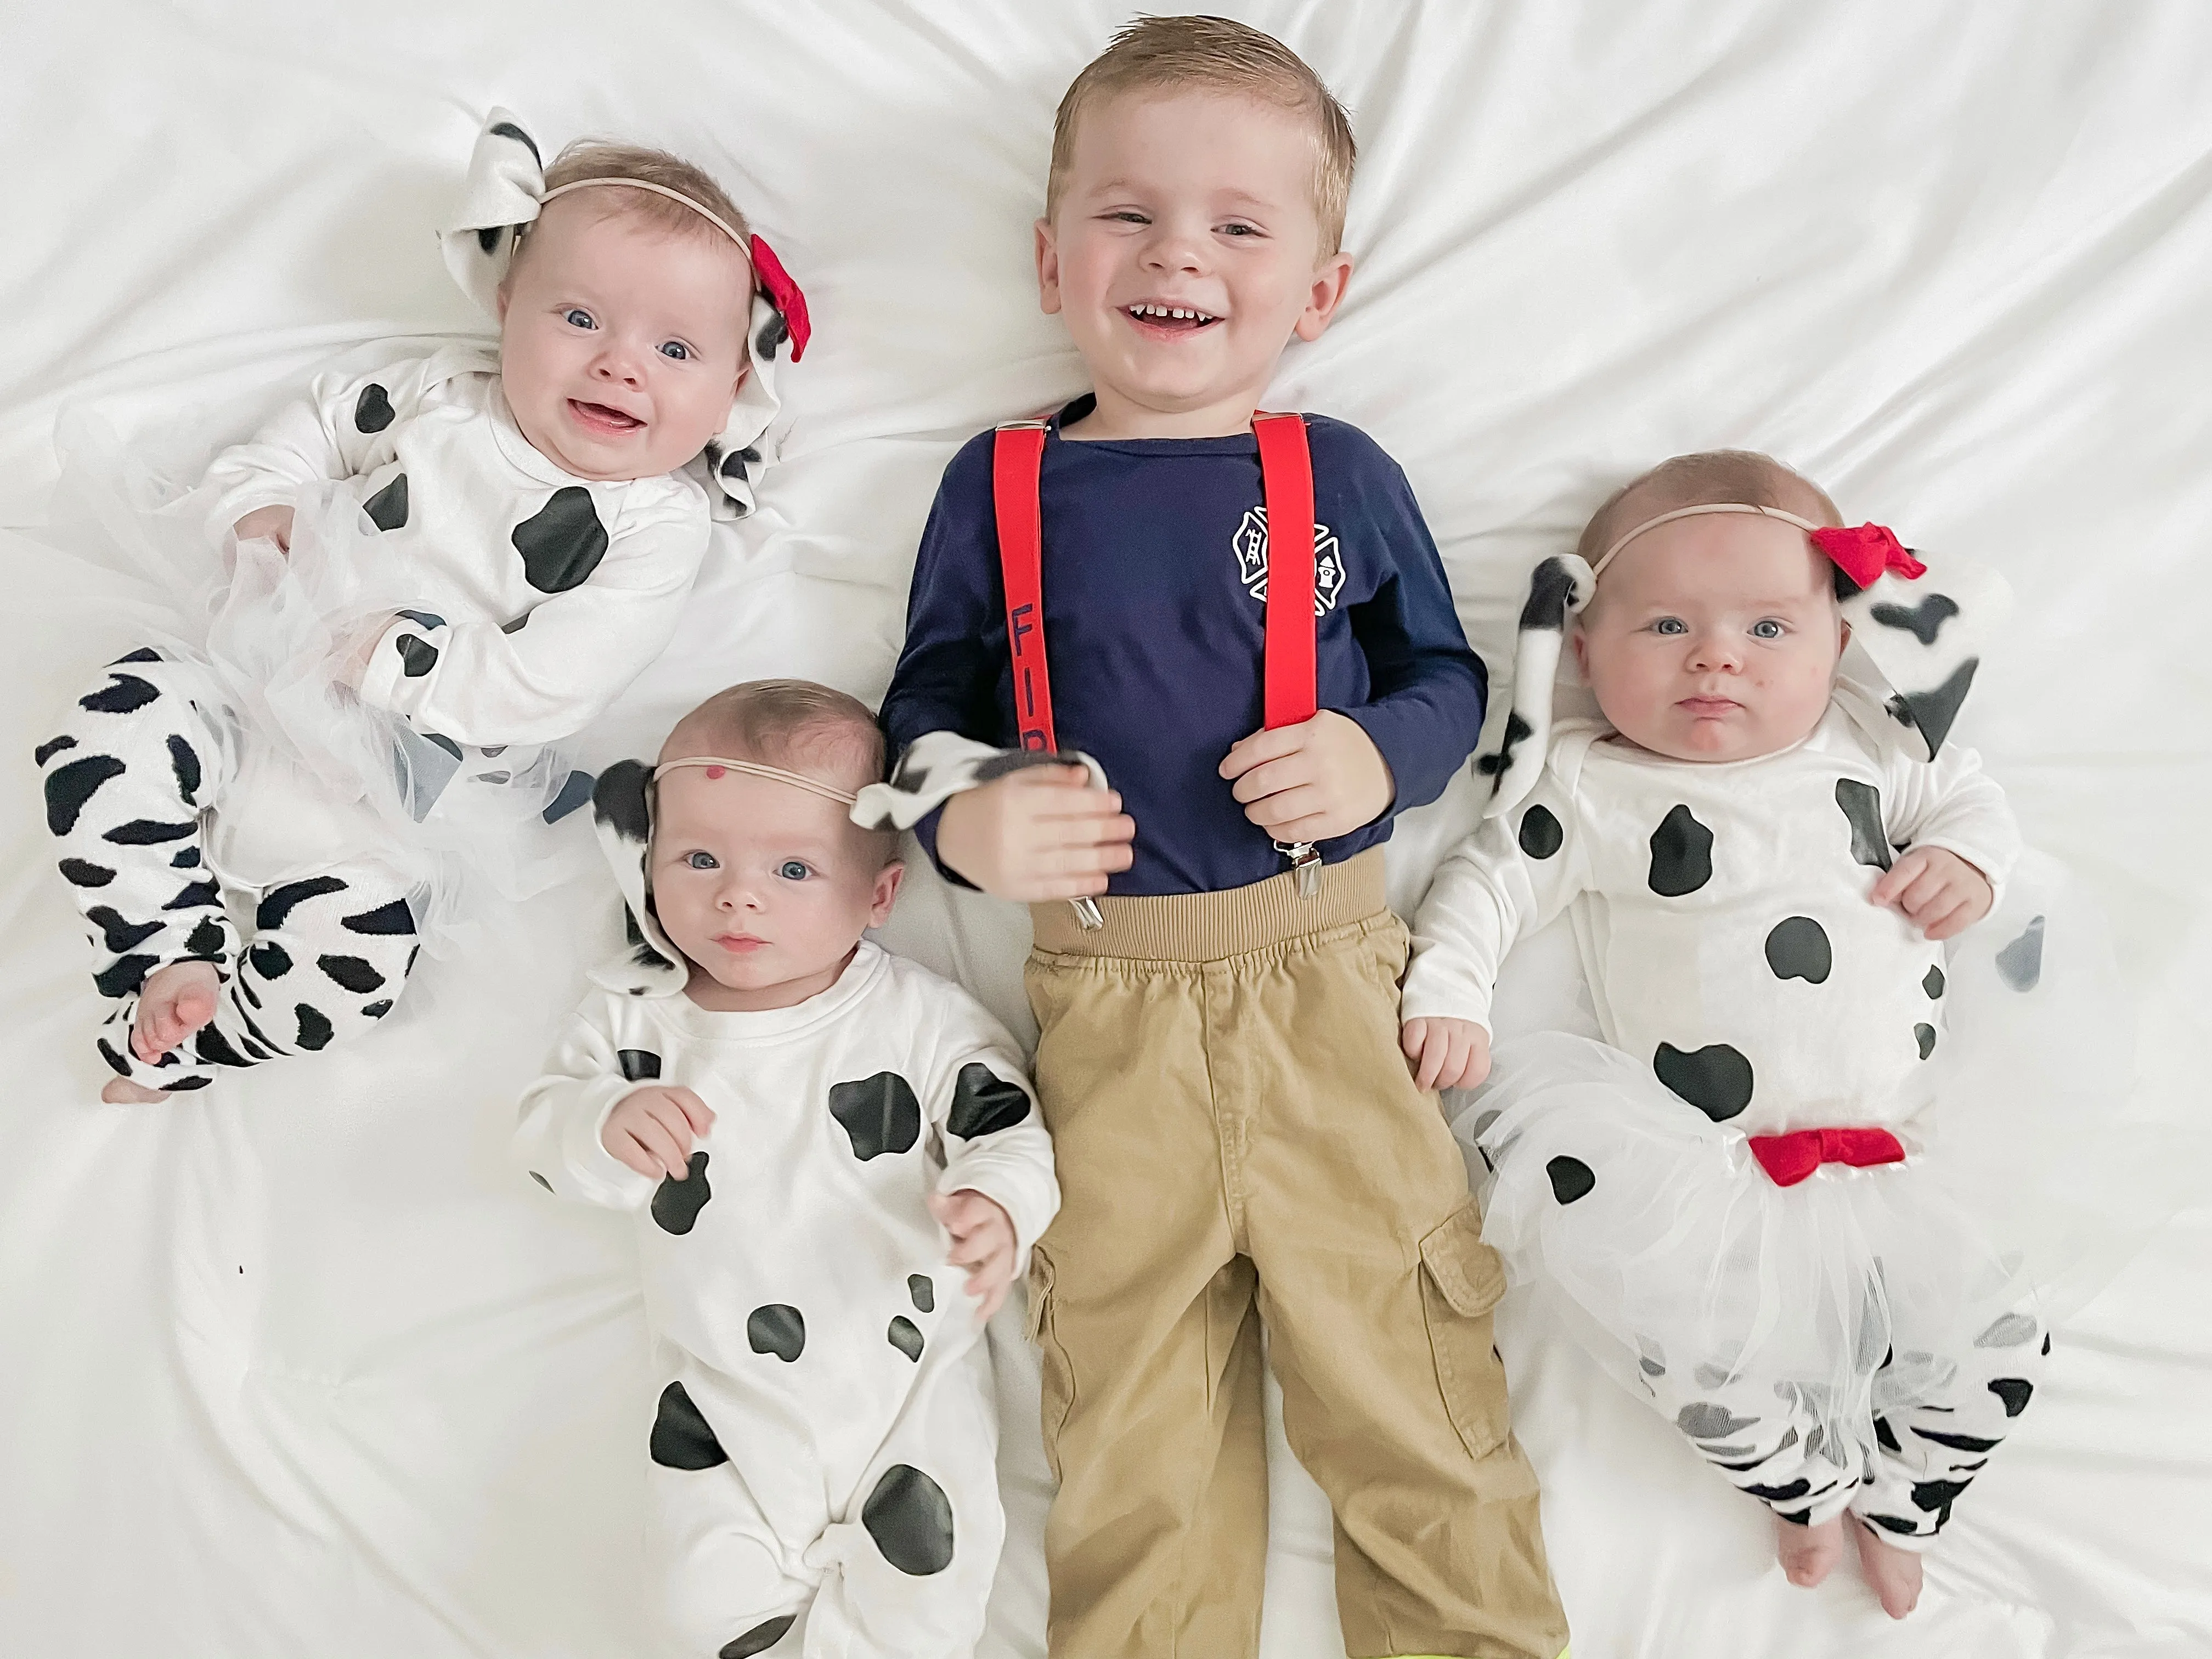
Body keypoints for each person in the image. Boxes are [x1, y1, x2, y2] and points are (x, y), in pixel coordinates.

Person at [865, 17, 1568, 1659]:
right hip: (1105, 1024)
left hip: (1333, 990)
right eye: (1130, 215)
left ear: (1317, 289)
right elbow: (924, 702)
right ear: (1054, 260)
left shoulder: (1337, 471)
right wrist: (969, 820)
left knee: (1410, 1392)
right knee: (1129, 1439)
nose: (1179, 251)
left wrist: (1368, 755)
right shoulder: (1003, 481)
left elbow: (1446, 679)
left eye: (1241, 227)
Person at [1403, 449, 2115, 1617]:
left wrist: (1965, 864)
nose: (1717, 656)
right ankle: (1799, 1480)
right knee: (1686, 1346)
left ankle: (1910, 1499)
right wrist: (1449, 995)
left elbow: (1970, 798)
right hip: (1703, 1176)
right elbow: (1487, 885)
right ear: (1585, 651)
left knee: (2000, 1341)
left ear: (1840, 643)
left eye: (1769, 629)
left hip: (1905, 1155)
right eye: (1669, 623)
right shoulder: (1588, 787)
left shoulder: (1878, 752)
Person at [33, 109, 808, 1099]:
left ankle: (191, 1043)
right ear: (507, 303)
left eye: (676, 350)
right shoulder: (433, 396)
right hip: (260, 675)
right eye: (580, 320)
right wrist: (259, 504)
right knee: (105, 735)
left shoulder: (659, 526)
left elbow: (560, 677)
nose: (621, 363)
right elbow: (308, 430)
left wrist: (403, 660)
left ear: (735, 385)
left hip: (402, 796)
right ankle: (162, 950)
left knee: (354, 974)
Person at [518, 680, 1059, 1659]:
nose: (738, 894)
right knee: (690, 1608)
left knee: (927, 1613)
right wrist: (603, 1123)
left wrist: (999, 1202)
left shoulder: (919, 1020)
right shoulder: (635, 1014)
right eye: (698, 858)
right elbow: (542, 1135)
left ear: (880, 894)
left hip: (911, 1399)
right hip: (722, 1407)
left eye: (794, 869)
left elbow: (1013, 1126)